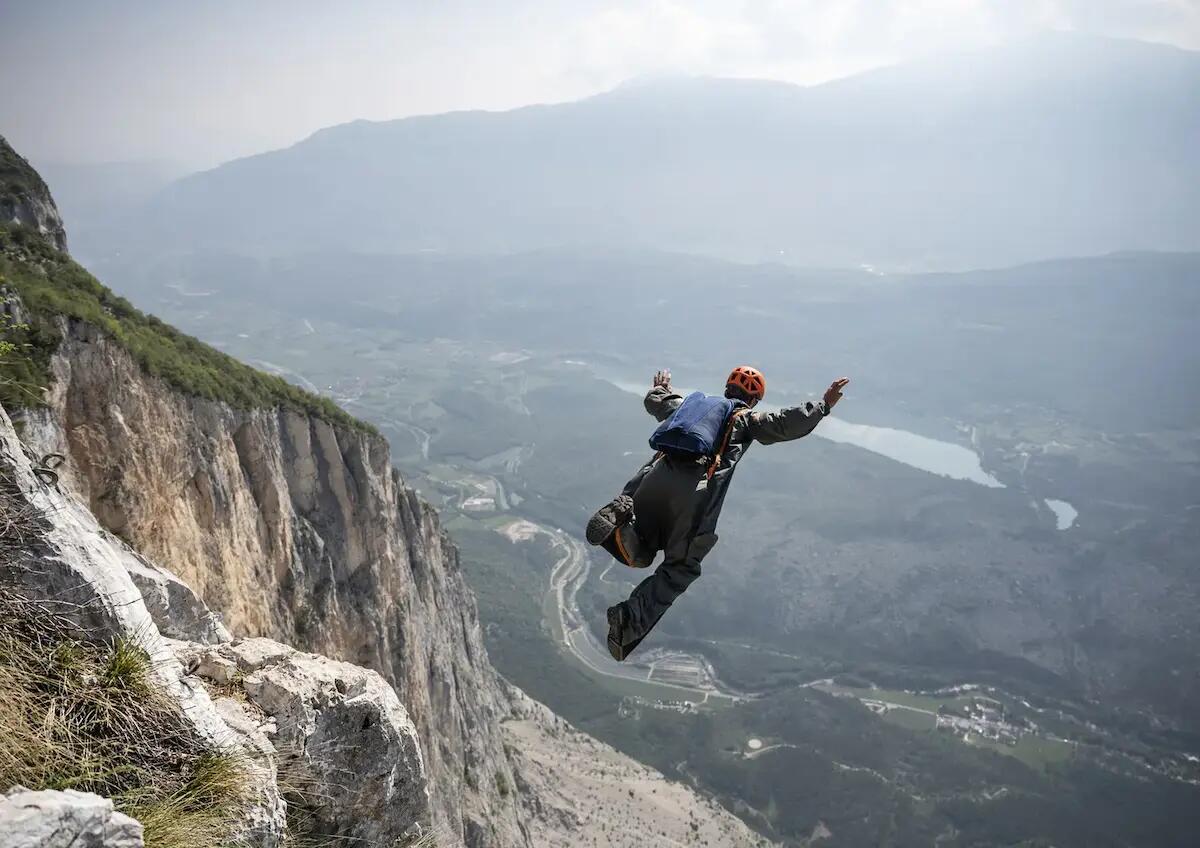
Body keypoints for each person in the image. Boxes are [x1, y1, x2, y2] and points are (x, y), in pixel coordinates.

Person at [586, 366, 849, 661]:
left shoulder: (689, 406)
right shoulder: (744, 418)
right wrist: (822, 406)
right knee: (680, 568)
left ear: (727, 389)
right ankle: (628, 620)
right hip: (692, 494)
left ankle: (621, 523)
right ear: (753, 400)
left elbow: (656, 402)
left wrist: (659, 388)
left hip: (651, 481)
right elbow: (783, 423)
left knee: (644, 548)